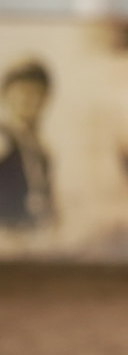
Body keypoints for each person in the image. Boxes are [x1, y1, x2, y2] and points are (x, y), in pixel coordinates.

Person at [0, 59, 55, 228]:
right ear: (6, 95)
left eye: (36, 92)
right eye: (21, 91)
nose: (28, 99)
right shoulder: (3, 138)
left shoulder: (42, 153)